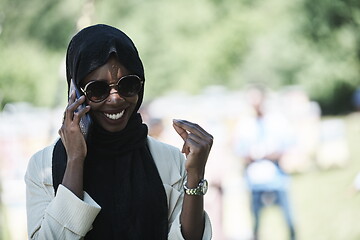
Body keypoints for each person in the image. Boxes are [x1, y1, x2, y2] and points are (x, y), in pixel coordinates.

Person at [25, 24, 213, 240]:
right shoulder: (43, 166)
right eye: (98, 89)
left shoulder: (169, 160)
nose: (115, 98)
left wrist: (195, 177)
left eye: (128, 85)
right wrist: (75, 159)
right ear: (75, 92)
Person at [233, 86, 296, 240]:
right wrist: (253, 154)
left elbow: (288, 146)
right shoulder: (244, 124)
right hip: (255, 182)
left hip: (277, 179)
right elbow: (239, 151)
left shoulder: (277, 121)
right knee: (256, 223)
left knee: (289, 221)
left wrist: (269, 154)